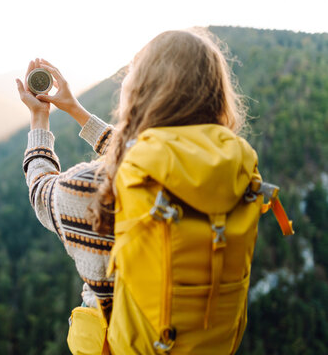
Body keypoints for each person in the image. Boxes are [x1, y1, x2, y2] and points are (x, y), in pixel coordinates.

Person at [16, 28, 264, 353]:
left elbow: (41, 189)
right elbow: (147, 155)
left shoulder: (99, 189)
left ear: (138, 91)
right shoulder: (235, 175)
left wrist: (39, 120)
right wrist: (77, 111)